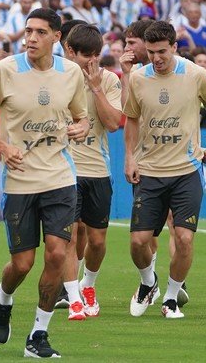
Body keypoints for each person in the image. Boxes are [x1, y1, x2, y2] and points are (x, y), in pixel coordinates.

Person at [0, 7, 90, 359]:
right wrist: (3, 146)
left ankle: (38, 334)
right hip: (20, 181)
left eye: (40, 32)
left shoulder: (71, 73)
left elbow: (82, 117)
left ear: (57, 37)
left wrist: (82, 127)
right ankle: (3, 297)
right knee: (22, 264)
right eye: (28, 31)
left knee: (56, 254)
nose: (31, 39)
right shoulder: (4, 70)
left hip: (59, 176)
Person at [123, 21, 206, 320]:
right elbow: (131, 119)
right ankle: (149, 282)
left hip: (186, 170)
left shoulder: (195, 74)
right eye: (151, 52)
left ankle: (171, 298)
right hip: (149, 170)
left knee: (184, 238)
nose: (157, 58)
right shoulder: (138, 77)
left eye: (162, 52)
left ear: (174, 47)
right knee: (137, 242)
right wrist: (130, 159)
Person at [59, 22, 122, 319]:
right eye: (87, 56)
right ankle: (73, 299)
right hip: (64, 171)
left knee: (96, 241)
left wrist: (96, 88)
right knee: (69, 237)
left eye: (97, 55)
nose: (93, 61)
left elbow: (113, 123)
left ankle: (88, 284)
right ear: (71, 52)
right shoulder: (56, 76)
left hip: (97, 170)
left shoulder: (108, 80)